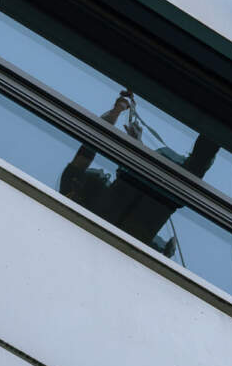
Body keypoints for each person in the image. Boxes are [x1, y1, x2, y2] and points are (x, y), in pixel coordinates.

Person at [59, 89, 220, 256]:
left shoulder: (88, 201)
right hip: (161, 194)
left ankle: (219, 118)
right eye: (101, 174)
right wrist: (117, 112)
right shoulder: (89, 201)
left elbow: (91, 143)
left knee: (198, 163)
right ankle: (220, 116)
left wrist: (120, 116)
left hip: (159, 195)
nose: (103, 172)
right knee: (198, 162)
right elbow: (92, 142)